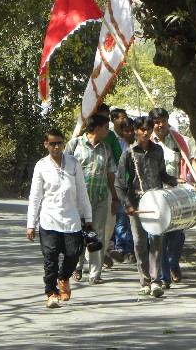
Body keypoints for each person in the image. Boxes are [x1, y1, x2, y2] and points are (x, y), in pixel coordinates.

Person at [27, 128, 94, 308]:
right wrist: (30, 224)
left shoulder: (73, 163)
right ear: (46, 145)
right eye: (52, 143)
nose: (56, 147)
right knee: (50, 258)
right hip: (49, 219)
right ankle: (51, 293)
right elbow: (35, 196)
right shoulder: (41, 165)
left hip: (71, 219)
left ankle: (64, 278)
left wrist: (88, 217)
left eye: (59, 143)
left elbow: (81, 191)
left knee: (73, 254)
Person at [116, 115, 181, 297]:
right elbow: (120, 183)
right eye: (142, 129)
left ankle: (156, 281)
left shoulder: (158, 150)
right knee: (139, 243)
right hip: (136, 204)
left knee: (157, 242)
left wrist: (177, 182)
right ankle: (144, 281)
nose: (146, 132)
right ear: (136, 131)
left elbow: (162, 175)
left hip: (156, 203)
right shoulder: (128, 153)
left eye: (148, 129)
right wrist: (127, 205)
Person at [149, 107, 196, 288]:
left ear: (167, 121)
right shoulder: (147, 141)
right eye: (156, 122)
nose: (160, 125)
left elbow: (191, 160)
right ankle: (164, 278)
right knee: (159, 236)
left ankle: (173, 262)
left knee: (177, 236)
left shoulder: (178, 139)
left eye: (162, 121)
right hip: (156, 195)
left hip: (177, 194)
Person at [65, 113, 118, 284]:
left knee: (98, 235)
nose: (108, 131)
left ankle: (95, 273)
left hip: (100, 198)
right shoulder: (74, 145)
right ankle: (77, 267)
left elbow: (110, 174)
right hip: (78, 199)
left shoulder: (106, 148)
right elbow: (64, 171)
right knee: (78, 233)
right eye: (106, 128)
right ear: (97, 128)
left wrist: (114, 197)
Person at [95, 104, 123, 269]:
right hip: (86, 191)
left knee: (108, 224)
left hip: (107, 186)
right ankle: (81, 263)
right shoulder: (80, 139)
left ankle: (102, 252)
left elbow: (119, 161)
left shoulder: (110, 138)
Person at [109, 117, 136, 264]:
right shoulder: (118, 145)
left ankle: (131, 250)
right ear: (122, 132)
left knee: (132, 219)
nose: (130, 133)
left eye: (132, 130)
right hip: (120, 186)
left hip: (134, 188)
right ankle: (120, 248)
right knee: (121, 219)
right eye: (127, 131)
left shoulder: (140, 145)